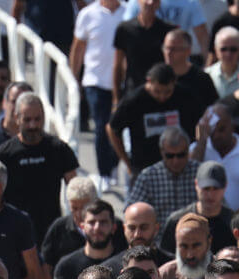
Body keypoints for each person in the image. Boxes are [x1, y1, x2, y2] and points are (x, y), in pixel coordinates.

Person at [0, 93, 79, 244]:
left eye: (37, 119)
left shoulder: (58, 149)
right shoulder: (3, 155)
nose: (33, 125)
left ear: (44, 117)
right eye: (27, 120)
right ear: (17, 117)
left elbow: (77, 190)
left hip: (51, 233)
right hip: (14, 233)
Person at [108, 64, 201, 178]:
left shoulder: (184, 97)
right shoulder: (133, 101)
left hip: (179, 164)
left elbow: (200, 121)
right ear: (149, 82)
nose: (162, 97)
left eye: (167, 92)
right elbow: (112, 128)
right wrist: (127, 162)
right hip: (144, 166)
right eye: (157, 91)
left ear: (174, 83)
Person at [71, 0, 125, 186]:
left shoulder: (128, 12)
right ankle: (103, 172)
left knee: (119, 127)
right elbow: (78, 48)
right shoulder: (87, 14)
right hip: (94, 81)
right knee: (101, 127)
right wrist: (74, 78)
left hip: (121, 84)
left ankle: (114, 166)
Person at [190, 102, 239, 206]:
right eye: (212, 130)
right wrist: (201, 141)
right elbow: (190, 174)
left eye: (222, 129)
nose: (217, 135)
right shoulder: (198, 148)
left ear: (232, 126)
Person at [127, 126, 201, 223]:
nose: (176, 161)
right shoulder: (148, 177)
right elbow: (131, 211)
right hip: (160, 236)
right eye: (170, 156)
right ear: (162, 152)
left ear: (188, 151)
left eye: (181, 155)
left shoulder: (199, 173)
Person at [162, 161, 235, 254]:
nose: (210, 194)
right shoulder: (177, 221)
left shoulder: (233, 223)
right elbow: (166, 259)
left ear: (225, 187)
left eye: (215, 189)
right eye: (206, 188)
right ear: (196, 184)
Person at [111, 0, 174, 101]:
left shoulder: (168, 31)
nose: (150, 3)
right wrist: (115, 98)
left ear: (159, 4)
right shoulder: (125, 29)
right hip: (133, 92)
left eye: (154, 1)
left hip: (160, 95)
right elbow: (117, 65)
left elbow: (173, 65)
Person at [54, 201, 121, 279]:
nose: (97, 227)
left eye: (103, 222)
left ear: (114, 227)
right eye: (91, 222)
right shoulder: (66, 267)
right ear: (82, 227)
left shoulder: (123, 263)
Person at [159, 213, 213, 279]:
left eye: (196, 246)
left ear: (209, 242)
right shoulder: (165, 276)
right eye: (184, 246)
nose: (190, 255)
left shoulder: (224, 273)